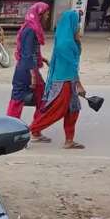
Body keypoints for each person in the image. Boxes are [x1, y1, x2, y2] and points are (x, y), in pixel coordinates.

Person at [29, 8, 86, 149]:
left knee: (73, 110)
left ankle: (69, 140)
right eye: (77, 24)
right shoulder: (65, 43)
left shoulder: (68, 40)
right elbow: (71, 66)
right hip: (63, 81)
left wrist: (78, 41)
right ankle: (29, 131)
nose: (78, 27)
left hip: (68, 80)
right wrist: (79, 84)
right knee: (56, 111)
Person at [6, 1, 49, 129]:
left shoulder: (31, 27)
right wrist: (33, 75)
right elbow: (27, 53)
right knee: (19, 99)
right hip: (27, 70)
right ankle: (12, 128)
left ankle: (34, 128)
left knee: (38, 97)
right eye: (46, 14)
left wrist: (42, 59)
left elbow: (29, 50)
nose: (47, 17)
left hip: (26, 67)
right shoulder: (31, 30)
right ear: (40, 14)